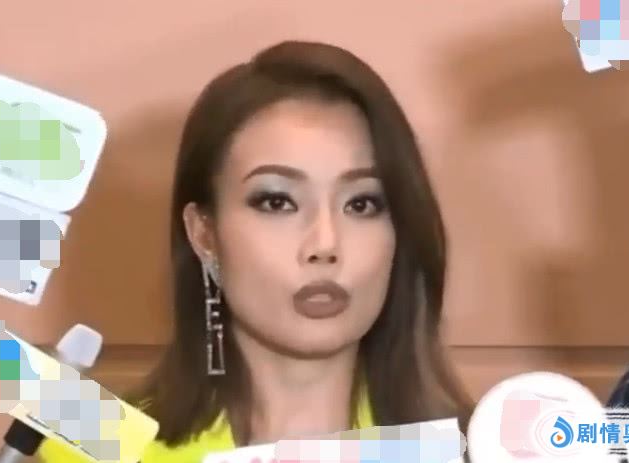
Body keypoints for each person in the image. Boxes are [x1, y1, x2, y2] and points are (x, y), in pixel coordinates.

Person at [37, 40, 473, 463]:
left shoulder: (482, 450)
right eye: (277, 202)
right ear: (205, 233)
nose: (325, 244)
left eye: (362, 204)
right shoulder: (97, 449)